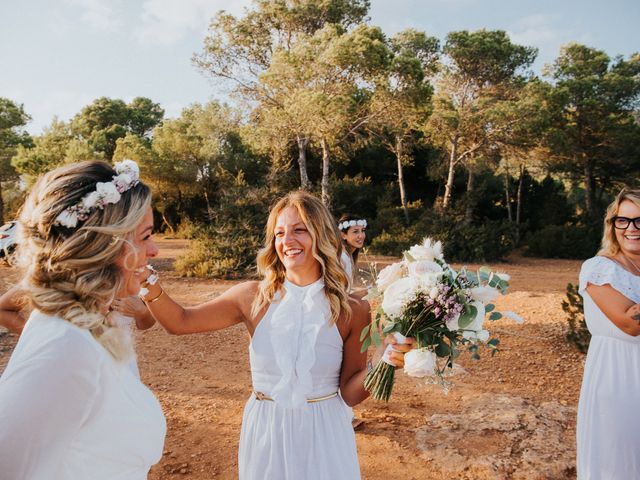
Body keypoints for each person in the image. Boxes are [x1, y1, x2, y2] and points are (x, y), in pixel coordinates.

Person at [139, 191, 413, 480]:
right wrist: (146, 281)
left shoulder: (353, 309)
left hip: (325, 432)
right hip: (266, 430)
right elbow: (180, 321)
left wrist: (384, 361)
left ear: (321, 235)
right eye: (279, 233)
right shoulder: (251, 297)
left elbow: (350, 393)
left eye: (299, 230)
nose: (287, 241)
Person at [0, 160, 166, 479]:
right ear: (103, 246)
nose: (155, 250)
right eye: (145, 236)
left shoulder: (91, 328)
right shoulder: (65, 348)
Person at [577, 188, 640, 479]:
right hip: (620, 377)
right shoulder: (599, 268)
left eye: (639, 221)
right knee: (618, 460)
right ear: (612, 225)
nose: (631, 229)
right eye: (623, 221)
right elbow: (631, 323)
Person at [337, 214, 367, 285]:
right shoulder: (342, 258)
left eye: (362, 230)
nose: (361, 236)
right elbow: (340, 294)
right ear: (343, 235)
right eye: (355, 231)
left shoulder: (347, 256)